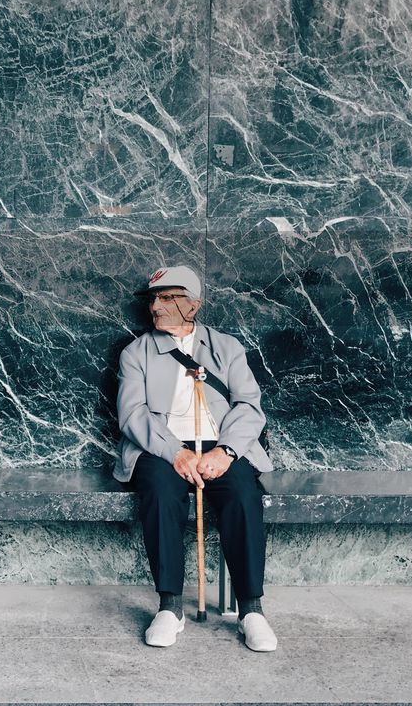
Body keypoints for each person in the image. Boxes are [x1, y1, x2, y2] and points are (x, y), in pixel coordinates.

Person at [113, 265, 277, 652]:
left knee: (242, 494)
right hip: (161, 446)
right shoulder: (137, 353)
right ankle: (170, 607)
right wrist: (176, 452)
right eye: (154, 298)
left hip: (220, 444)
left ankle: (251, 610)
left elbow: (249, 406)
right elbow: (133, 414)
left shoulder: (227, 347)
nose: (157, 306)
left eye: (168, 298)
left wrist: (225, 452)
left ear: (194, 304)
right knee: (160, 493)